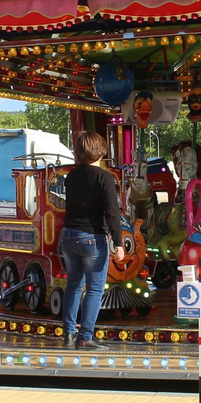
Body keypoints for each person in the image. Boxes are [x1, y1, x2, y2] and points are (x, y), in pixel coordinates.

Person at [60, 131, 125, 349]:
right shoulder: (105, 178)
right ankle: (86, 336)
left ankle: (68, 333)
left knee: (73, 285)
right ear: (101, 150)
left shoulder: (72, 176)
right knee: (95, 288)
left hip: (68, 234)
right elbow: (111, 212)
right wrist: (118, 242)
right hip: (91, 237)